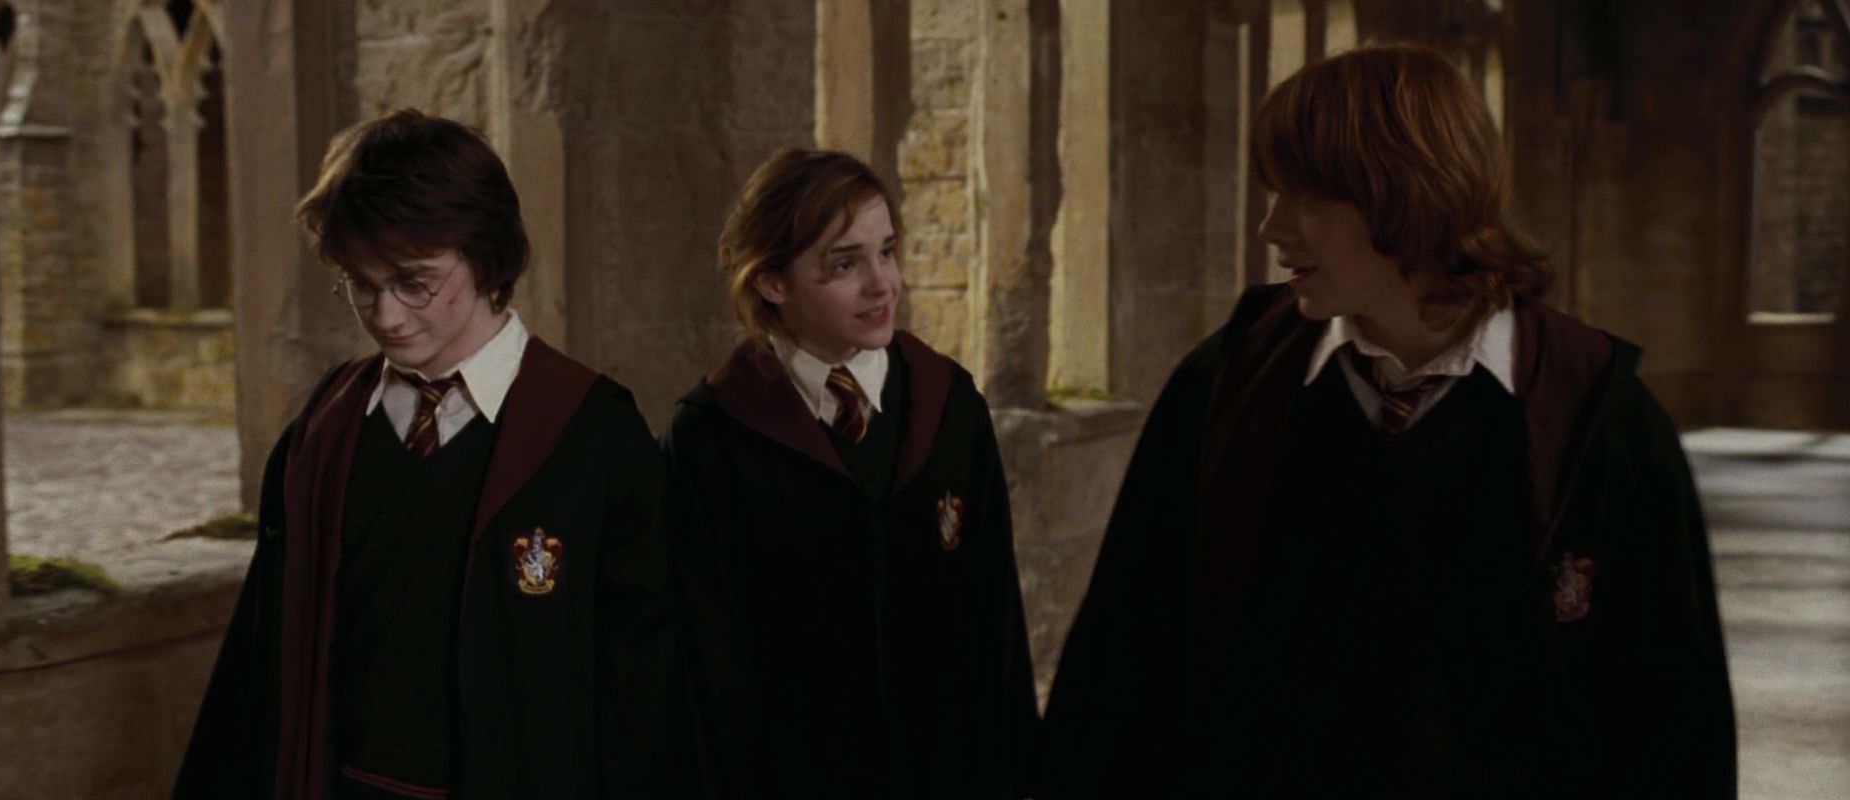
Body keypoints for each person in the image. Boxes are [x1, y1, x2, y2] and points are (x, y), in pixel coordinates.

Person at [1041, 44, 1735, 798]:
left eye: (1304, 194)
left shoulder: (1594, 418)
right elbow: (1121, 658)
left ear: (1406, 192)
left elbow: (1675, 720)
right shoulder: (1228, 386)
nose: (1271, 227)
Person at [176, 109, 679, 799]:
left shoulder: (594, 435)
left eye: (414, 283)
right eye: (361, 284)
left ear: (486, 257)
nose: (386, 316)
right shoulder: (324, 430)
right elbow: (259, 662)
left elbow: (644, 690)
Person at [664, 148, 1038, 799]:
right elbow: (703, 674)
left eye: (886, 252)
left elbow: (995, 622)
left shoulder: (950, 408)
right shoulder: (713, 441)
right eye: (845, 264)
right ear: (773, 282)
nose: (882, 284)